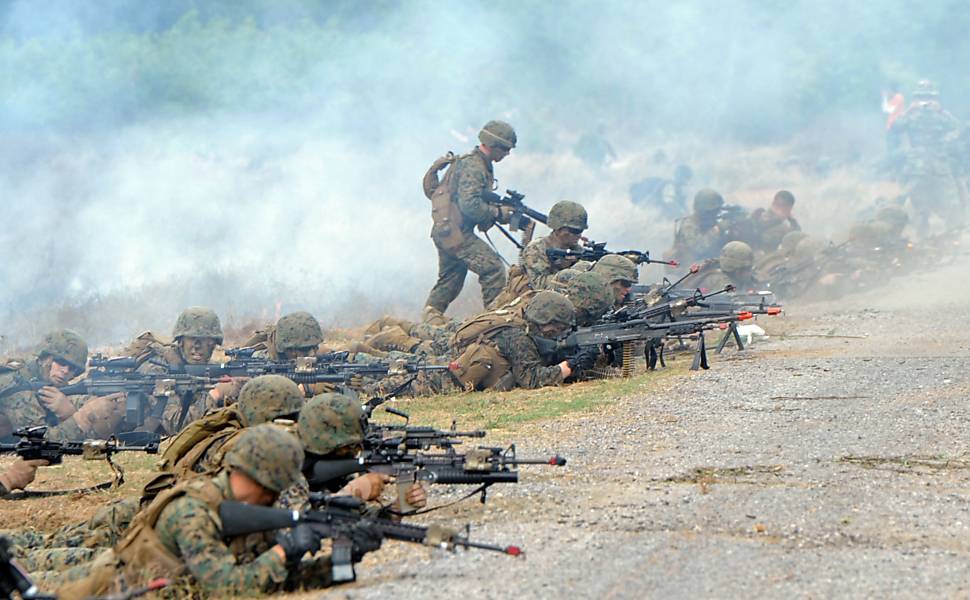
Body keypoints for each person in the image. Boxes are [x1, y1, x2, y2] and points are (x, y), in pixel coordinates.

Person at [43, 425, 340, 598]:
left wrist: (339, 565)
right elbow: (226, 589)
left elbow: (265, 580)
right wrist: (282, 553)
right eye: (274, 488)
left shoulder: (245, 510)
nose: (276, 497)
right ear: (261, 479)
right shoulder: (192, 511)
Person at [423, 120, 517, 319]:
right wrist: (498, 213)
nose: (507, 154)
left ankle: (430, 318)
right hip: (456, 232)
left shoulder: (475, 162)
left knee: (451, 280)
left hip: (447, 230)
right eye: (505, 149)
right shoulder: (474, 166)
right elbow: (470, 206)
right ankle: (495, 322)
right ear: (493, 145)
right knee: (493, 269)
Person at [449, 291, 587, 391]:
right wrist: (570, 365)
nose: (560, 332)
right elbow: (531, 379)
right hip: (445, 380)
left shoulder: (528, 324)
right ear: (545, 322)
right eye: (558, 327)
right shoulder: (518, 337)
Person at [0, 330, 120, 441]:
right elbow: (38, 443)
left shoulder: (47, 382)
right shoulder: (18, 386)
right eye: (61, 362)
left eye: (73, 368)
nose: (65, 371)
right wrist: (78, 418)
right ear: (43, 358)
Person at [889, 80, 965, 236]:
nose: (925, 101)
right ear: (915, 99)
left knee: (953, 203)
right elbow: (894, 128)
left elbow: (959, 129)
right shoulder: (910, 115)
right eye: (921, 97)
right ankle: (921, 241)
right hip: (917, 167)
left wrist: (945, 141)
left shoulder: (942, 114)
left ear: (935, 99)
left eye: (929, 97)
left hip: (939, 165)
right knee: (919, 206)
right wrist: (908, 111)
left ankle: (954, 238)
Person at [491, 200, 589, 308]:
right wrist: (574, 270)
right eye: (575, 231)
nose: (579, 235)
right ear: (560, 230)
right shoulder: (536, 249)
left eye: (581, 231)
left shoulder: (577, 249)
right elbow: (539, 286)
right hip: (525, 305)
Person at [665, 189, 733, 265]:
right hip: (692, 269)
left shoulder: (709, 222)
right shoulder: (688, 225)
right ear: (702, 210)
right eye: (712, 211)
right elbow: (699, 247)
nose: (716, 213)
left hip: (709, 263)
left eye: (716, 210)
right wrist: (719, 228)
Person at [683, 241, 762, 292]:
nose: (749, 272)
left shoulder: (738, 278)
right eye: (746, 269)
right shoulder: (720, 281)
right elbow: (734, 303)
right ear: (735, 270)